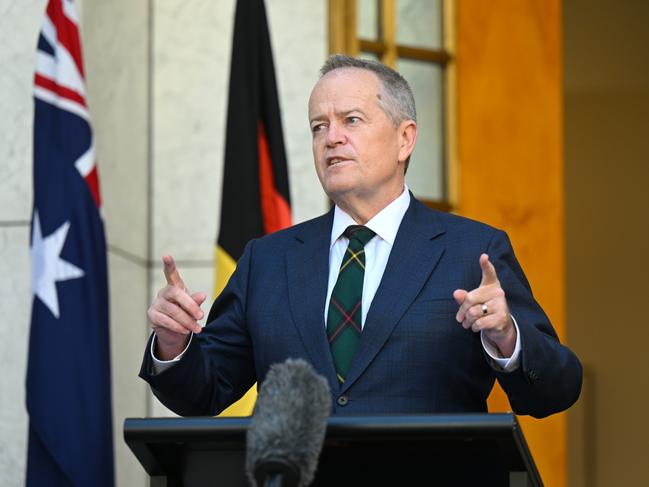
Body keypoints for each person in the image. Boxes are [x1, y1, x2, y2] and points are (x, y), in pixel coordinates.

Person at [140, 54, 582, 419]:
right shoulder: (267, 261)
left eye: (351, 120)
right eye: (318, 126)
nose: (331, 138)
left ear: (405, 139)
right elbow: (203, 393)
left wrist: (507, 337)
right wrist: (174, 346)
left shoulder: (472, 252)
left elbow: (556, 390)